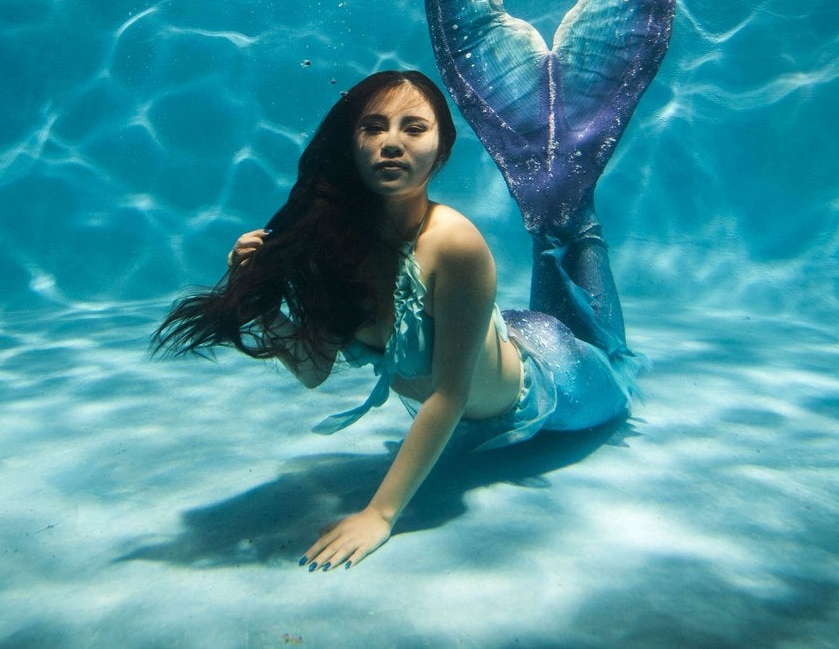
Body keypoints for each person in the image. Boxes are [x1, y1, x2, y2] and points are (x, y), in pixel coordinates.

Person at [154, 70, 636, 572]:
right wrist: (256, 298)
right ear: (351, 143)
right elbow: (314, 368)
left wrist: (380, 515)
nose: (391, 144)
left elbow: (448, 397)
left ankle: (571, 200)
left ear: (442, 149)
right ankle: (554, 210)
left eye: (414, 128)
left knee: (614, 355)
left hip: (558, 379)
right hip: (488, 338)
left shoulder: (454, 243)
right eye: (374, 127)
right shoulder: (334, 247)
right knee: (551, 247)